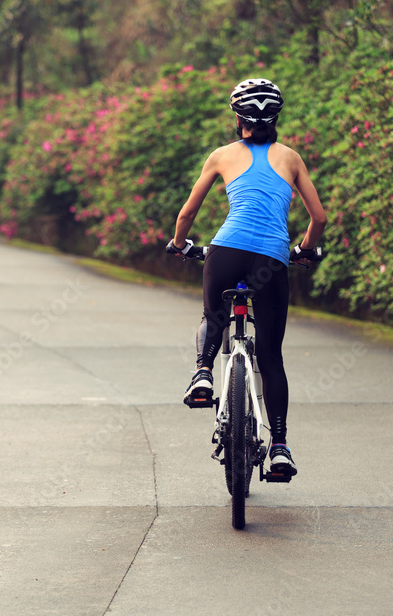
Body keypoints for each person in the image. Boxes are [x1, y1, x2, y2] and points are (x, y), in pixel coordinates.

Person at [167, 78, 327, 479]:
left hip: (226, 252)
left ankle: (203, 372)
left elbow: (187, 213)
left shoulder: (221, 156)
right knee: (271, 356)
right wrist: (305, 249)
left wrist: (180, 243)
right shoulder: (290, 158)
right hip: (272, 260)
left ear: (237, 117)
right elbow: (319, 218)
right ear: (276, 118)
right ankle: (279, 447)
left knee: (213, 316)